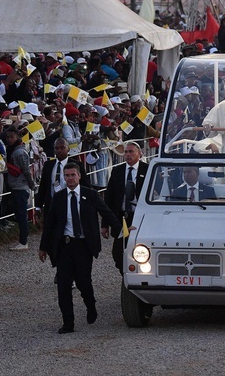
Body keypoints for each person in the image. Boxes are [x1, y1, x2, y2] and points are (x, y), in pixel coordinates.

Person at [38, 163, 120, 334]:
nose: (69, 179)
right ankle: (68, 322)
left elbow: (106, 212)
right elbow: (50, 224)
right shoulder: (59, 197)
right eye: (67, 176)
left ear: (79, 176)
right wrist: (43, 247)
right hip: (64, 246)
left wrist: (122, 230)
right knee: (63, 285)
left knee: (84, 282)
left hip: (83, 246)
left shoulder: (90, 195)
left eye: (73, 175)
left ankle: (91, 305)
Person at [104, 141, 148, 271]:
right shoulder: (117, 171)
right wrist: (105, 224)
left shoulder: (147, 170)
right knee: (118, 253)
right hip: (121, 218)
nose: (128, 155)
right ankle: (126, 275)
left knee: (140, 250)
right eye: (126, 152)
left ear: (139, 153)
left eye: (131, 152)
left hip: (139, 218)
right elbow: (109, 198)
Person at [35, 137, 87, 216]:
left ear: (68, 149)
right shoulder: (48, 165)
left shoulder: (77, 165)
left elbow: (85, 185)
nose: (59, 151)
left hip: (71, 204)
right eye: (56, 148)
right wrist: (38, 207)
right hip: (52, 205)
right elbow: (43, 186)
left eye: (62, 148)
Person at [3, 128, 35, 251]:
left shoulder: (19, 152)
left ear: (17, 137)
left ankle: (23, 241)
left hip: (21, 186)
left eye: (12, 137)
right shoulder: (14, 150)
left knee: (21, 215)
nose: (9, 140)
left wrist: (31, 184)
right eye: (8, 137)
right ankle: (22, 240)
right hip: (16, 185)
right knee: (19, 214)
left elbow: (26, 170)